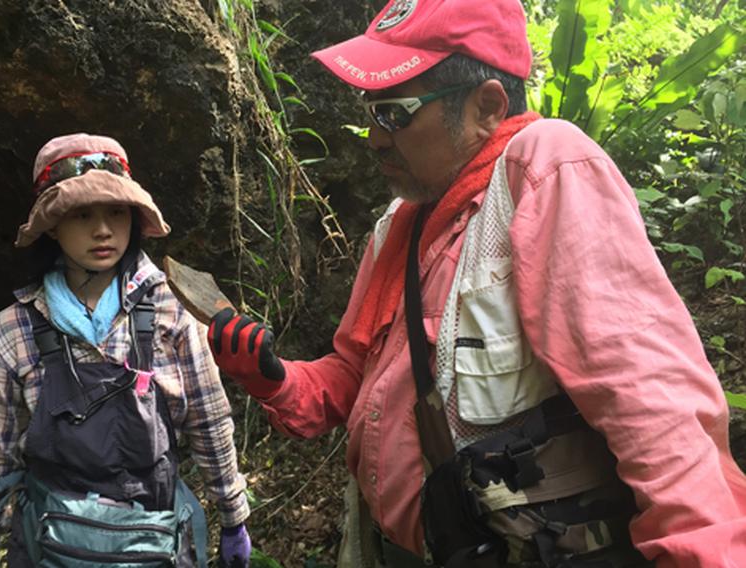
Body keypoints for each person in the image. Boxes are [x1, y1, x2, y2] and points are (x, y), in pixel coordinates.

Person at [206, 1, 746, 567]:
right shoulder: (400, 224)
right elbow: (353, 373)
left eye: (393, 112)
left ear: (486, 106)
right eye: (370, 112)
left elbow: (649, 397)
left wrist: (704, 552)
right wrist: (274, 379)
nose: (373, 137)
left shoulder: (544, 172)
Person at [0, 133, 252, 568]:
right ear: (52, 226)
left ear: (134, 218)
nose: (102, 229)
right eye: (81, 214)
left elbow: (209, 421)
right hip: (51, 550)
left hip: (155, 544)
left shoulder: (170, 314)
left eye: (116, 211)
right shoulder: (12, 331)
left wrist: (234, 517)